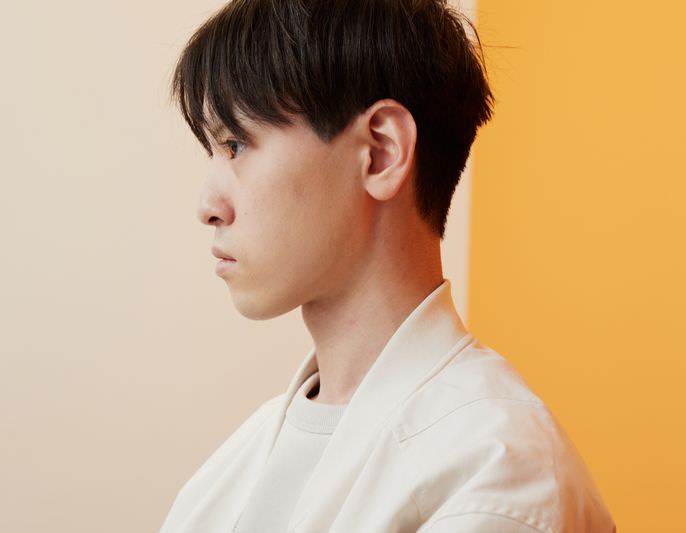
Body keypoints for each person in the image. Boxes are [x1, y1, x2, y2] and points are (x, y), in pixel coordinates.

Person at [159, 0, 616, 531]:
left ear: (380, 152)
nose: (207, 206)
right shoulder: (225, 474)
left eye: (235, 145)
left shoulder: (499, 470)